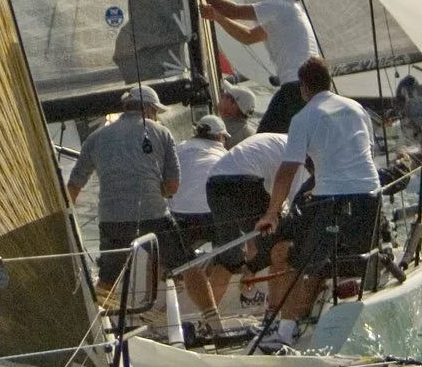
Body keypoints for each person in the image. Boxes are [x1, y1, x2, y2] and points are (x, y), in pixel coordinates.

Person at [254, 57, 382, 351]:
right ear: (329, 83)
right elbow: (362, 153)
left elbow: (288, 170)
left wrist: (273, 212)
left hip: (332, 200)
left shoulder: (304, 117)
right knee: (359, 255)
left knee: (297, 259)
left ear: (304, 88)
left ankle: (285, 331)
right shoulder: (356, 109)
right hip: (370, 195)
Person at [66, 84, 182, 297]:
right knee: (185, 266)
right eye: (155, 112)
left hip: (112, 219)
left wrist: (65, 224)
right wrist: (158, 191)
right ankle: (211, 316)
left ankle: (101, 322)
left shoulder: (96, 138)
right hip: (153, 215)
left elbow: (73, 186)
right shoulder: (162, 132)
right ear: (149, 109)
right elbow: (173, 185)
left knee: (108, 277)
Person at [191, 0, 320, 132]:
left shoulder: (281, 7)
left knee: (264, 138)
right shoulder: (293, 14)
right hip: (311, 88)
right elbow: (248, 36)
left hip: (295, 86)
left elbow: (234, 11)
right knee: (293, 138)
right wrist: (217, 17)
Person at [199, 129, 297, 307]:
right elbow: (296, 208)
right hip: (244, 180)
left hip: (214, 182)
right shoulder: (302, 156)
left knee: (231, 258)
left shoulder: (280, 142)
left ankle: (208, 319)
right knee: (279, 244)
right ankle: (274, 312)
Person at [169, 117, 228, 336]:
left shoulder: (179, 148)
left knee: (183, 261)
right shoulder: (223, 153)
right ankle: (211, 321)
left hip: (183, 216)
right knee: (227, 259)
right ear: (220, 137)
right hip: (216, 214)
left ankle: (168, 304)